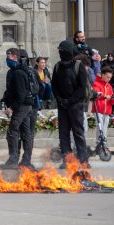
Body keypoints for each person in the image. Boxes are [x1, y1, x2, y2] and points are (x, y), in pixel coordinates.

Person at [52, 40, 90, 169]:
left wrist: (71, 100)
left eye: (63, 51)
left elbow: (82, 87)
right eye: (60, 51)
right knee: (63, 134)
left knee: (78, 133)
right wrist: (60, 100)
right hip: (63, 106)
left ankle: (83, 160)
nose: (61, 53)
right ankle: (67, 160)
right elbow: (54, 86)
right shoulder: (57, 66)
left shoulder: (79, 66)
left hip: (75, 105)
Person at [0, 48, 34, 170]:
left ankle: (13, 159)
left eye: (8, 56)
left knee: (12, 130)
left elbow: (21, 94)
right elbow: (11, 91)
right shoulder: (14, 71)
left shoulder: (19, 72)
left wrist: (12, 108)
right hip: (24, 105)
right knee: (26, 133)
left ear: (14, 57)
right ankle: (25, 161)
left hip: (22, 106)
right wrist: (5, 100)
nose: (7, 59)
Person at [91, 66, 114, 148]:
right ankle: (99, 143)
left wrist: (112, 99)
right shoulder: (96, 83)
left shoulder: (109, 87)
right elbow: (95, 95)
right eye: (107, 77)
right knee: (100, 126)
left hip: (107, 111)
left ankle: (103, 143)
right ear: (103, 75)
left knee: (104, 128)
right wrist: (104, 96)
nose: (109, 79)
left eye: (110, 78)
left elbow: (111, 101)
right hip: (98, 110)